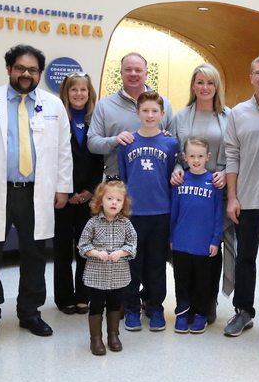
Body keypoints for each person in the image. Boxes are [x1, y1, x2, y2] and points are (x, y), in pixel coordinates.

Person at [0, 44, 73, 343]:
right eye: (21, 68)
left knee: (35, 255)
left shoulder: (53, 105)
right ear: (9, 69)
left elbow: (63, 151)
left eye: (33, 70)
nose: (26, 74)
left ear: (40, 74)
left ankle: (30, 312)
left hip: (36, 192)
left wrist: (63, 187)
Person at [221, 56, 259, 337]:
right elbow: (231, 156)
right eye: (258, 73)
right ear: (251, 78)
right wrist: (232, 197)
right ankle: (243, 311)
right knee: (245, 257)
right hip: (246, 198)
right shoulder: (238, 113)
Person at [168, 63, 231, 324]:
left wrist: (224, 173)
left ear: (217, 87)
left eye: (210, 82)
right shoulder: (180, 117)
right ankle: (186, 306)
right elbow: (173, 152)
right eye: (200, 82)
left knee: (211, 249)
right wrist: (176, 169)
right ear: (193, 86)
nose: (205, 87)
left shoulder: (228, 116)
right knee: (187, 251)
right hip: (187, 190)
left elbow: (235, 153)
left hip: (216, 190)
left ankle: (206, 303)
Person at [115, 91, 179, 331]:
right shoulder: (127, 143)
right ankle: (132, 308)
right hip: (133, 214)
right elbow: (123, 178)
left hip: (161, 213)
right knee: (132, 263)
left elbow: (171, 177)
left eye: (154, 111)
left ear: (162, 114)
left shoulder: (170, 143)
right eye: (145, 110)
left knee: (156, 263)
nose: (150, 115)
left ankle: (155, 307)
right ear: (137, 113)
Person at [54, 73, 105, 315]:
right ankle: (64, 297)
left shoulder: (96, 122)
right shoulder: (57, 120)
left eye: (83, 89)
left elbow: (99, 160)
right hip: (62, 197)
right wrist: (68, 191)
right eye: (73, 89)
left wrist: (90, 191)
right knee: (63, 249)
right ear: (66, 92)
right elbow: (52, 158)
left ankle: (84, 296)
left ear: (89, 93)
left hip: (89, 198)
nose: (78, 94)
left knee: (86, 248)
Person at [170, 137, 225, 334]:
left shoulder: (214, 183)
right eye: (192, 156)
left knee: (203, 281)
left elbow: (218, 215)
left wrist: (215, 240)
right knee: (182, 279)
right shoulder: (180, 181)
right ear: (184, 157)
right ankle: (182, 313)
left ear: (208, 157)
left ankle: (201, 314)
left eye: (200, 156)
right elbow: (174, 212)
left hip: (204, 244)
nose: (196, 160)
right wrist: (171, 237)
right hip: (181, 242)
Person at [88, 52, 172, 179]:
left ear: (146, 74)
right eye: (128, 70)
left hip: (156, 179)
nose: (133, 74)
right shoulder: (104, 105)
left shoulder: (164, 104)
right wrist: (114, 141)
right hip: (117, 181)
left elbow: (174, 143)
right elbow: (92, 143)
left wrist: (166, 136)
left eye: (138, 70)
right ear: (121, 73)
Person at [77, 179, 138, 355]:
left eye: (118, 200)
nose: (114, 203)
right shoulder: (93, 223)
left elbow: (132, 245)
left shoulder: (126, 224)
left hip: (118, 274)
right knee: (96, 305)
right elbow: (82, 245)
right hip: (97, 274)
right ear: (100, 201)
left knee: (115, 304)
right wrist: (96, 253)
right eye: (109, 198)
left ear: (123, 204)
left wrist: (122, 252)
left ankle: (113, 335)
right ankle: (95, 338)